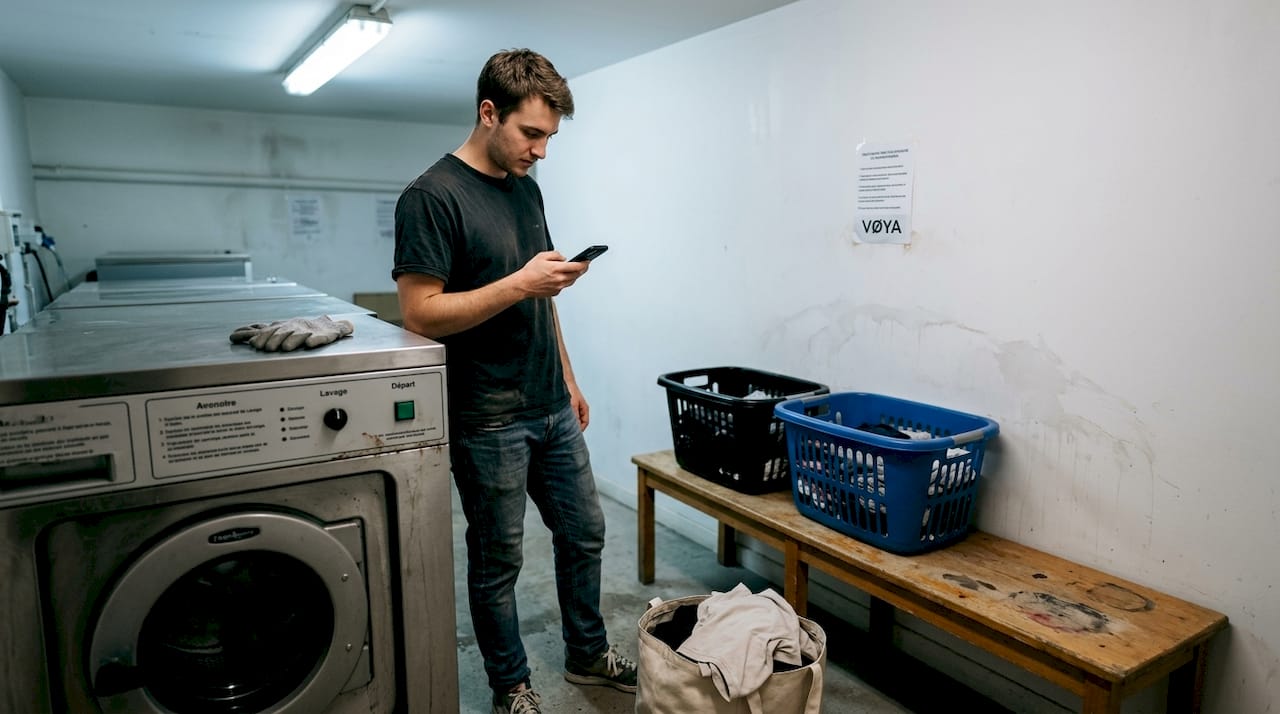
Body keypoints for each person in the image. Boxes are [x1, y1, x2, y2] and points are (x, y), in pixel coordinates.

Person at [392, 49, 636, 714]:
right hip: (485, 415)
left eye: (550, 137)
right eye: (532, 134)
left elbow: (541, 294)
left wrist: (568, 377)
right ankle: (512, 687)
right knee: (499, 563)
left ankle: (587, 656)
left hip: (549, 403)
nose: (541, 151)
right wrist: (519, 282)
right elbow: (419, 313)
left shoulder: (527, 189)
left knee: (585, 531)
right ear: (488, 112)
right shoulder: (431, 197)